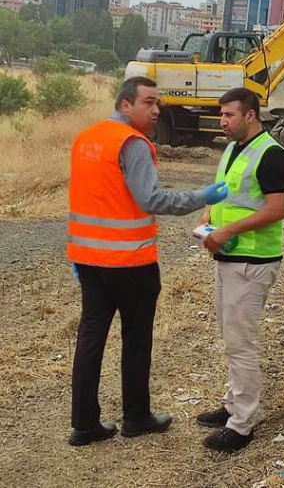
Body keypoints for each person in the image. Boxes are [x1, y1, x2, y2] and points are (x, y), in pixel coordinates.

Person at [66, 76, 228, 447]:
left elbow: (87, 196)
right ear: (126, 105)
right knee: (136, 339)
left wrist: (79, 253)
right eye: (149, 103)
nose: (156, 110)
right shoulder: (133, 144)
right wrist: (200, 195)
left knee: (91, 337)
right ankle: (136, 417)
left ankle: (85, 424)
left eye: (158, 103)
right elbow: (150, 199)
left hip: (89, 259)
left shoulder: (87, 137)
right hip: (130, 262)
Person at [195, 87, 284, 452]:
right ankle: (234, 404)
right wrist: (209, 215)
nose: (222, 121)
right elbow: (230, 195)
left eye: (228, 115)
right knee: (231, 337)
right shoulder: (236, 148)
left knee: (241, 344)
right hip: (231, 257)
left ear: (250, 115)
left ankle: (243, 424)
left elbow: (276, 209)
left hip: (252, 261)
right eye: (221, 115)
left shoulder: (270, 154)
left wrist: (228, 230)